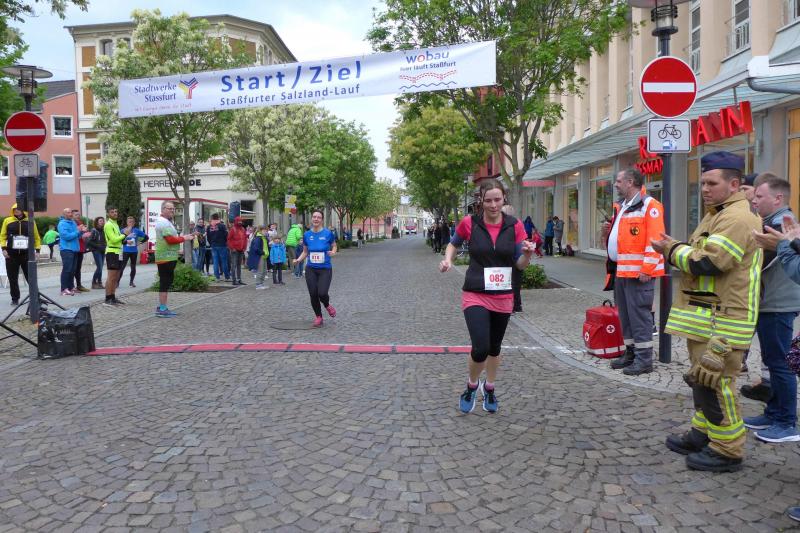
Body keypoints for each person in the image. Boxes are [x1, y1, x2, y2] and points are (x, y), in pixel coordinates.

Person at [651, 151, 762, 473]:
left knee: (717, 383)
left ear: (734, 184)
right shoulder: (718, 213)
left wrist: (671, 249)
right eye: (702, 183)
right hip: (709, 315)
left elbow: (710, 262)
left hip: (725, 319)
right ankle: (704, 434)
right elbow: (703, 253)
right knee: (703, 380)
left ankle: (728, 449)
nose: (704, 189)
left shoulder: (737, 218)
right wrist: (678, 247)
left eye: (711, 183)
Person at [440, 179, 534, 414]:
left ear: (504, 199)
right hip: (475, 292)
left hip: (503, 294)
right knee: (480, 347)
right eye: (488, 200)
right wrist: (448, 260)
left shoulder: (514, 226)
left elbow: (520, 265)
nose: (493, 205)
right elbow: (453, 244)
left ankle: (489, 387)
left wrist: (527, 255)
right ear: (481, 201)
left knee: (494, 347)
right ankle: (472, 385)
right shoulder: (470, 223)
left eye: (497, 200)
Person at [744, 174, 800, 443]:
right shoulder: (771, 222)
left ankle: (787, 422)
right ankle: (773, 413)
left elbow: (759, 261)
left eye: (759, 196)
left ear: (778, 198)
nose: (754, 200)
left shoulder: (781, 224)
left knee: (780, 364)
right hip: (770, 302)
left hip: (778, 304)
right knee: (773, 361)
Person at [602, 168, 666, 375]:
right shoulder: (622, 206)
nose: (615, 184)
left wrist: (647, 268)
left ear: (630, 182)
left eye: (619, 181)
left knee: (639, 317)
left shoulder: (650, 205)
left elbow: (656, 241)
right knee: (626, 317)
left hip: (639, 274)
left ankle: (644, 359)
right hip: (622, 271)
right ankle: (630, 353)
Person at [293, 210, 337, 327]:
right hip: (311, 269)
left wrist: (333, 252)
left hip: (325, 269)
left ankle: (327, 305)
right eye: (314, 217)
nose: (316, 219)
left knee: (322, 293)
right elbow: (305, 251)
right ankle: (318, 316)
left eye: (318, 217)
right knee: (313, 294)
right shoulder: (307, 235)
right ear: (312, 219)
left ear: (322, 220)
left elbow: (334, 246)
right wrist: (298, 260)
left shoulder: (328, 233)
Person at [154, 201, 195, 317]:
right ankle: (162, 309)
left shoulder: (167, 222)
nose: (172, 210)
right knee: (165, 282)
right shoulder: (163, 222)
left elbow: (171, 239)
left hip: (168, 256)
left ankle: (162, 307)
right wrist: (184, 238)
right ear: (163, 209)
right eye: (169, 208)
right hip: (165, 257)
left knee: (166, 281)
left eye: (173, 208)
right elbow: (170, 240)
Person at [0, 204, 40, 305]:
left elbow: (36, 236)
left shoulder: (30, 221)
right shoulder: (7, 220)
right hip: (11, 254)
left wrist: (38, 250)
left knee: (31, 277)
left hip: (27, 254)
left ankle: (36, 297)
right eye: (14, 209)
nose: (16, 210)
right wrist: (4, 249)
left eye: (18, 209)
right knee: (12, 278)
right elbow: (2, 236)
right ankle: (15, 298)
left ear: (23, 210)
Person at [102, 207, 130, 306]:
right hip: (112, 252)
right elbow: (113, 240)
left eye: (116, 211)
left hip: (118, 251)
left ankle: (113, 297)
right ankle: (107, 299)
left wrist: (125, 240)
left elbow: (118, 240)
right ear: (108, 214)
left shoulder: (115, 224)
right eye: (112, 212)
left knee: (116, 276)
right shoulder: (108, 225)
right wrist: (124, 234)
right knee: (111, 276)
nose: (115, 213)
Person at [501, 204, 524, 313]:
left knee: (511, 283)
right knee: (516, 282)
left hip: (510, 256)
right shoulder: (518, 222)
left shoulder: (508, 223)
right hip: (517, 256)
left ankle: (513, 305)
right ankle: (517, 305)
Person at [57, 207, 83, 296]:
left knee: (73, 270)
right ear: (64, 214)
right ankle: (64, 289)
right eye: (68, 213)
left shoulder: (73, 223)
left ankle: (71, 287)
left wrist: (81, 232)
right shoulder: (62, 224)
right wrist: (77, 231)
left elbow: (77, 236)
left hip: (75, 249)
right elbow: (66, 236)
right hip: (66, 249)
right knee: (67, 269)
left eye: (71, 212)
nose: (70, 214)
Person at [120, 216, 148, 287]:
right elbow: (121, 241)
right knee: (122, 267)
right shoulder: (123, 230)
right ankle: (117, 282)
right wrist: (126, 242)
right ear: (127, 223)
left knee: (133, 267)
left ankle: (131, 282)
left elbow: (146, 237)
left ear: (134, 223)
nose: (131, 223)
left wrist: (140, 242)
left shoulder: (136, 230)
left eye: (132, 222)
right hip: (126, 251)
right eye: (129, 222)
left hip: (134, 251)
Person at [206, 213, 229, 281]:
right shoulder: (222, 226)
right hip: (222, 245)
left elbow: (208, 237)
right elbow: (226, 235)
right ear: (218, 218)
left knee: (215, 261)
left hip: (214, 245)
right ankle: (226, 277)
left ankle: (217, 277)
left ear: (212, 218)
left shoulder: (209, 227)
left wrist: (211, 243)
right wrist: (225, 242)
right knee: (224, 261)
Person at [72, 209, 90, 293]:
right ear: (72, 216)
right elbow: (73, 236)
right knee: (73, 268)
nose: (78, 216)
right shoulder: (72, 224)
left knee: (78, 268)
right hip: (74, 248)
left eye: (79, 215)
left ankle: (79, 285)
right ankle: (71, 286)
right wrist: (82, 235)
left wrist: (86, 235)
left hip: (81, 248)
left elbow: (82, 236)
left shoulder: (80, 223)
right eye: (76, 215)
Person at [227, 216, 247, 285]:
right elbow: (229, 239)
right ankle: (234, 280)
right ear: (236, 221)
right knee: (234, 265)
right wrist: (232, 248)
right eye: (239, 221)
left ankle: (239, 279)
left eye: (241, 221)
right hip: (234, 250)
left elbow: (245, 239)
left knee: (239, 265)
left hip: (241, 250)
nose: (240, 222)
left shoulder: (243, 229)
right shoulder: (233, 229)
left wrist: (244, 247)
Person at [86, 216, 106, 289]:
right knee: (99, 267)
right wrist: (98, 246)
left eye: (103, 221)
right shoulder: (94, 230)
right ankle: (94, 283)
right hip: (96, 251)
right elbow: (89, 241)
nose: (102, 222)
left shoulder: (104, 230)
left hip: (103, 250)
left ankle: (99, 283)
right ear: (97, 222)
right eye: (100, 221)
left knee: (100, 267)